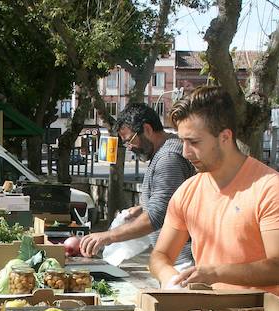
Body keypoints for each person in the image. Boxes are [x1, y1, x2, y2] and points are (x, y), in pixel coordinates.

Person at [148, 86, 279, 302]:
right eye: (182, 141)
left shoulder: (270, 187)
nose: (185, 152)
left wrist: (215, 274)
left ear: (225, 137)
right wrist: (169, 278)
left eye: (194, 142)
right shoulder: (187, 191)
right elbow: (160, 256)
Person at [79, 102, 194, 267]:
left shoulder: (168, 158)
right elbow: (172, 199)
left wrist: (108, 236)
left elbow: (158, 214)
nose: (129, 147)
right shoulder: (164, 152)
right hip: (175, 258)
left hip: (182, 261)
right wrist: (142, 207)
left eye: (130, 140)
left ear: (147, 129)